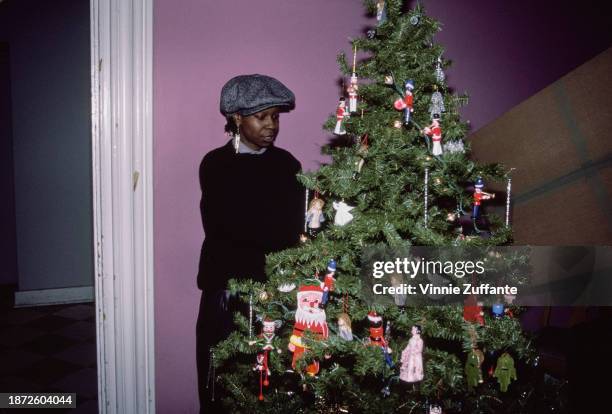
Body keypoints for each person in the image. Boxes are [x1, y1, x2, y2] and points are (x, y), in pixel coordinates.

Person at [196, 74, 304, 413]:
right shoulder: (216, 164)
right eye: (262, 116)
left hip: (277, 290)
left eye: (275, 116)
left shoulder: (288, 165)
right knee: (222, 384)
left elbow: (294, 231)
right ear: (236, 118)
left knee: (275, 384)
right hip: (227, 294)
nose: (271, 125)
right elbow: (226, 228)